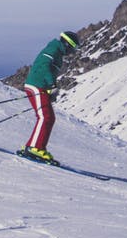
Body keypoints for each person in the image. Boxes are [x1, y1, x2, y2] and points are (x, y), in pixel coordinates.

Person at [18, 31, 81, 165]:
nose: (72, 52)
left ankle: (34, 146)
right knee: (45, 117)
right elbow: (44, 67)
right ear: (67, 44)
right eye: (72, 48)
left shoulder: (57, 52)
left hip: (40, 86)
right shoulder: (53, 49)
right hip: (36, 84)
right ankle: (34, 147)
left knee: (48, 117)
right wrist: (51, 85)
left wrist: (50, 90)